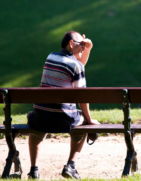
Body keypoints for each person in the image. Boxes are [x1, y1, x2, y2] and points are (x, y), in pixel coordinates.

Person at [26, 31, 100, 179]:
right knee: (83, 124)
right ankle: (70, 165)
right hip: (64, 119)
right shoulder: (76, 66)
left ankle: (34, 170)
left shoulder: (50, 57)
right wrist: (89, 119)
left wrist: (86, 49)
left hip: (41, 117)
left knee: (36, 126)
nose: (83, 48)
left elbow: (77, 65)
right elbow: (82, 96)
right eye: (81, 45)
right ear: (71, 43)